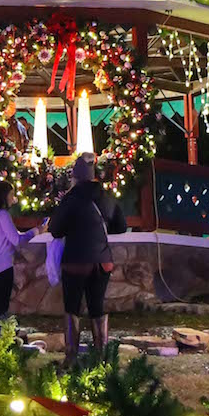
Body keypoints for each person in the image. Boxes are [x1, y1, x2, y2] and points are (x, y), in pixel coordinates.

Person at [48, 153, 126, 366]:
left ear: (75, 176)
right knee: (97, 306)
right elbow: (121, 226)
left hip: (75, 262)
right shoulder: (107, 196)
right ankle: (101, 358)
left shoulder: (71, 199)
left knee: (72, 307)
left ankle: (71, 356)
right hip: (103, 261)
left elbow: (55, 229)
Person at [0, 180, 47, 336]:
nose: (13, 198)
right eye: (11, 194)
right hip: (2, 265)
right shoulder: (2, 215)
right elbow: (17, 240)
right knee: (1, 304)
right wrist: (37, 231)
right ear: (4, 196)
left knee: (0, 303)